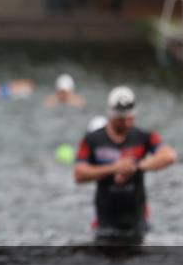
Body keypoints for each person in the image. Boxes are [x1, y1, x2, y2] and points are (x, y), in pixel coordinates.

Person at [73, 86, 177, 244]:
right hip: (105, 220)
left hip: (137, 218)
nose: (127, 123)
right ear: (111, 116)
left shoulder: (143, 137)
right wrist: (114, 168)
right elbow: (79, 174)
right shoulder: (93, 139)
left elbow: (169, 155)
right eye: (121, 120)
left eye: (130, 118)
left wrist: (136, 166)